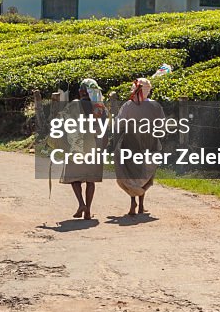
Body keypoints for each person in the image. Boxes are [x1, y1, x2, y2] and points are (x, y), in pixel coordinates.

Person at [114, 77, 165, 216]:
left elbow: (118, 124)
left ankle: (133, 203)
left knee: (131, 172)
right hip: (150, 142)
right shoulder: (155, 106)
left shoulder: (128, 106)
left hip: (131, 142)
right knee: (145, 172)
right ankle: (141, 205)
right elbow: (161, 124)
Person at [59, 78, 106, 220]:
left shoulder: (74, 105)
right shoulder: (99, 107)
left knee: (75, 178)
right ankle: (88, 210)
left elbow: (64, 123)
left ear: (81, 91)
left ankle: (81, 204)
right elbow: (104, 129)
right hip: (94, 146)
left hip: (77, 145)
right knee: (90, 180)